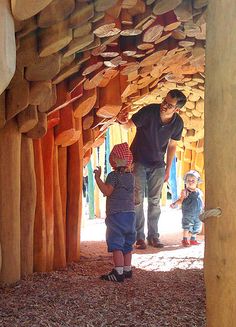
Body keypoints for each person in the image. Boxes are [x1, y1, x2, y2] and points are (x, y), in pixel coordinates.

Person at [116, 89, 187, 249]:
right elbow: (128, 126)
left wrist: (168, 168)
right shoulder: (149, 111)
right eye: (164, 101)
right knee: (137, 199)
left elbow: (172, 146)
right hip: (138, 160)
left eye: (169, 105)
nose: (164, 105)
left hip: (158, 164)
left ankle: (153, 236)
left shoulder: (178, 123)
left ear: (177, 109)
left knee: (155, 201)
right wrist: (122, 121)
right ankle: (139, 237)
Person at [94, 142, 135, 282]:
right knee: (127, 243)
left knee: (116, 242)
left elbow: (107, 191)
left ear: (116, 159)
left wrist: (97, 178)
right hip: (131, 215)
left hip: (116, 215)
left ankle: (118, 272)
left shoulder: (113, 175)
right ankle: (127, 269)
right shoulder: (131, 177)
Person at [170, 170, 204, 247]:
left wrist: (203, 208)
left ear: (197, 182)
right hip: (188, 213)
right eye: (188, 180)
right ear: (185, 181)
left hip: (198, 213)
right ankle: (185, 239)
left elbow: (201, 200)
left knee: (197, 226)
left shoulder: (199, 191)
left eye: (193, 180)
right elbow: (181, 200)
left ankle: (193, 239)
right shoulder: (185, 191)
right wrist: (174, 203)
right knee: (187, 226)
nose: (190, 182)